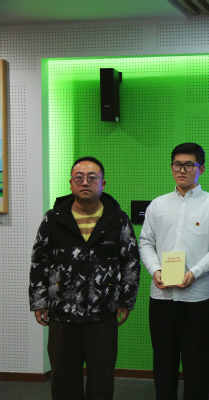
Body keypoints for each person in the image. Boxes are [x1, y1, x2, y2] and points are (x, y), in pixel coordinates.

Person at [29, 156, 140, 400]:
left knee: (102, 378)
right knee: (63, 379)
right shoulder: (54, 218)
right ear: (70, 183)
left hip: (103, 313)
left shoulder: (117, 219)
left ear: (103, 183)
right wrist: (39, 301)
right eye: (79, 178)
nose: (85, 182)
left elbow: (130, 261)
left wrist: (126, 300)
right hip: (62, 313)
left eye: (92, 177)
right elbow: (40, 262)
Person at [139, 143, 209, 400]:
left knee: (197, 363)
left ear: (201, 169)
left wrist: (195, 272)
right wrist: (155, 270)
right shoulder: (158, 205)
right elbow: (145, 243)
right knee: (163, 362)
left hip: (198, 296)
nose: (182, 170)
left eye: (189, 165)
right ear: (171, 168)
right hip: (162, 296)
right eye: (177, 164)